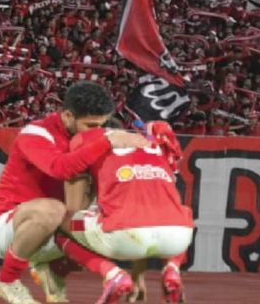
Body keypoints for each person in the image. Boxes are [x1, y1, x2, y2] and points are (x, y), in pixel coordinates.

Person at [0, 81, 152, 304]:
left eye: (101, 125)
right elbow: (60, 168)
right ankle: (7, 280)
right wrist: (106, 141)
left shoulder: (95, 135)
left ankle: (51, 268)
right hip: (9, 227)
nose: (97, 131)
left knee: (108, 223)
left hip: (55, 229)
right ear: (67, 116)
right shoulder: (35, 133)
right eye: (90, 125)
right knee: (53, 209)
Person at [64, 119, 192, 303]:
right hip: (177, 238)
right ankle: (172, 268)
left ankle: (112, 274)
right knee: (181, 213)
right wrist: (138, 277)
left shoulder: (90, 143)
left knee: (63, 224)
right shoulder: (151, 145)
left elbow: (75, 206)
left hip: (123, 233)